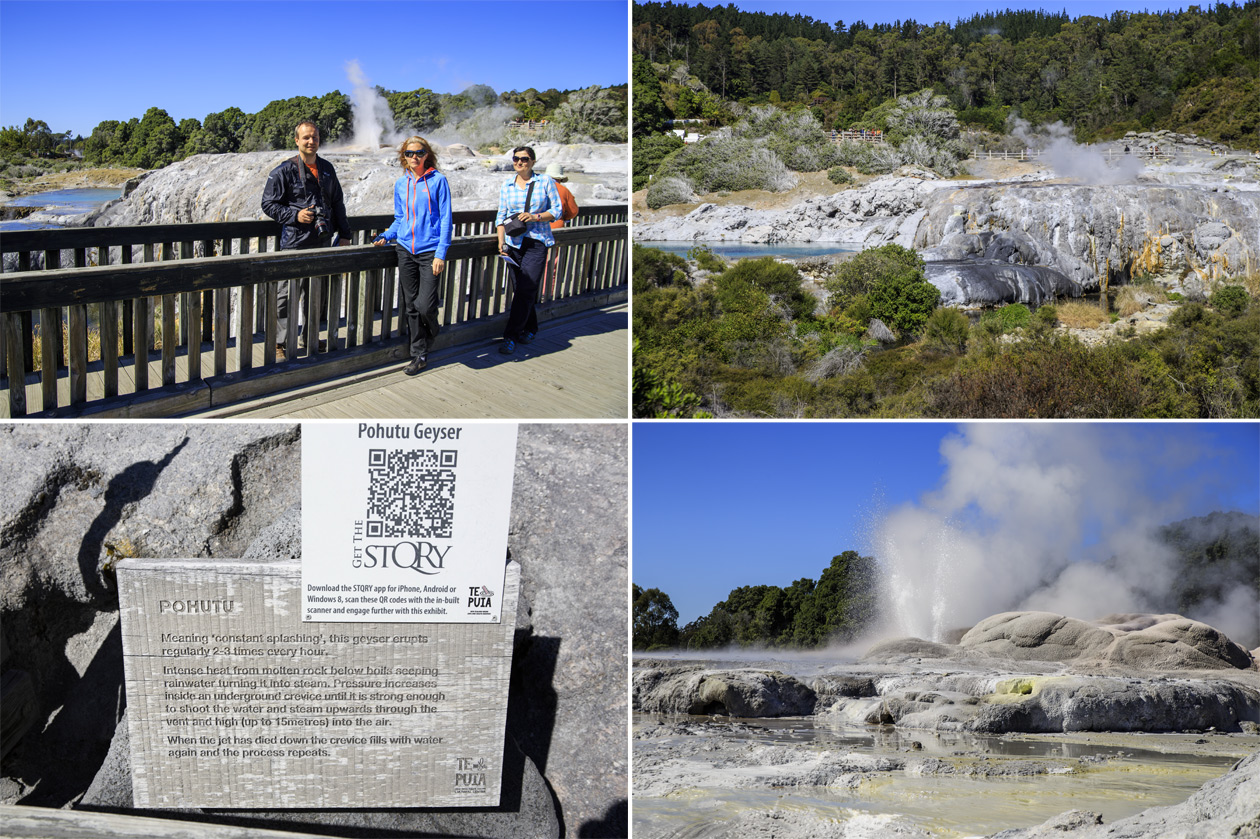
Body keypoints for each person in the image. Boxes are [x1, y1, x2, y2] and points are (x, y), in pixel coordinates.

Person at [261, 120, 352, 359]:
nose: (311, 141)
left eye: (315, 138)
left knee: (316, 295)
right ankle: (279, 343)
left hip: (322, 241)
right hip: (294, 242)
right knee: (286, 295)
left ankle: (310, 337)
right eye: (306, 138)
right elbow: (268, 204)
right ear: (297, 141)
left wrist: (344, 234)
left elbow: (337, 203)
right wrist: (295, 215)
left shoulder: (327, 168)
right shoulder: (284, 171)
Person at [372, 137, 453, 375]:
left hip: (430, 252)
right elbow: (400, 219)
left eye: (419, 152)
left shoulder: (438, 181)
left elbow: (447, 218)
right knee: (410, 306)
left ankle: (433, 331)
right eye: (409, 153)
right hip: (405, 249)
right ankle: (419, 353)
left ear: (427, 154)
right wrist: (387, 236)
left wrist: (441, 253)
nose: (414, 157)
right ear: (403, 157)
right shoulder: (401, 184)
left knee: (425, 304)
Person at [495, 145, 562, 354]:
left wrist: (536, 217)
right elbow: (501, 217)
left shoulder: (544, 182)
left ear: (532, 161)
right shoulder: (507, 186)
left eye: (524, 159)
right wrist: (501, 242)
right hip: (514, 244)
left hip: (536, 242)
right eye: (516, 159)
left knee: (526, 289)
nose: (519, 163)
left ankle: (510, 337)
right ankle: (531, 327)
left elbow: (558, 210)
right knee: (523, 290)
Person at [543, 163, 579, 301]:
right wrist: (564, 217)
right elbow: (573, 211)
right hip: (555, 230)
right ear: (560, 178)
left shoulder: (537, 187)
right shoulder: (563, 191)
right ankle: (546, 293)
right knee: (551, 262)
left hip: (534, 229)